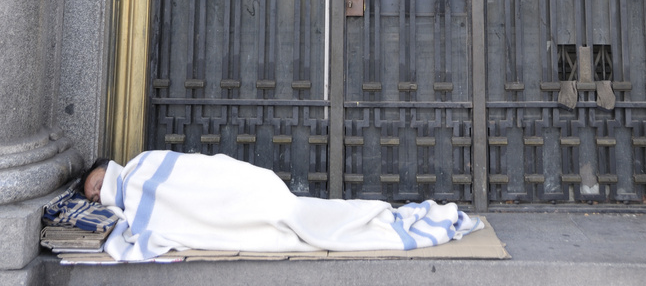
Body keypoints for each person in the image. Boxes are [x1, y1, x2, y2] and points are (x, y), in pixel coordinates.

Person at [81, 149, 482, 261]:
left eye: (97, 184)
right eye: (93, 197)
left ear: (108, 168)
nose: (99, 194)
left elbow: (194, 174)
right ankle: (371, 218)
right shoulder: (125, 204)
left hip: (243, 192)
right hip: (227, 214)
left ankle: (378, 217)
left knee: (294, 213)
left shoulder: (141, 169)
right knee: (292, 221)